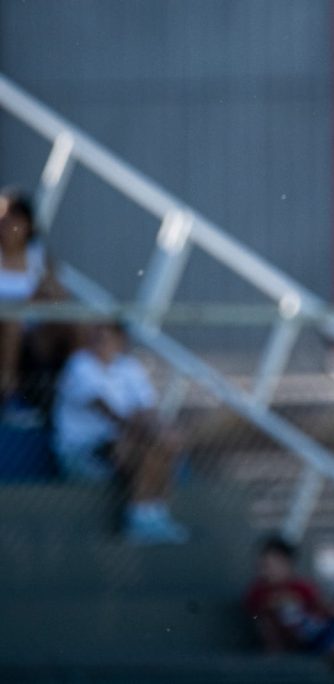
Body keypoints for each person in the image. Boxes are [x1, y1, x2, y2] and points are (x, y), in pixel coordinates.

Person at [51, 320, 189, 544]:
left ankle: (154, 515)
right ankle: (141, 520)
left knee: (162, 444)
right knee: (145, 446)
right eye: (94, 338)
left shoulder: (130, 367)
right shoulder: (79, 365)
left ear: (120, 341)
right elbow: (105, 409)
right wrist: (146, 431)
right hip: (80, 453)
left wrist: (163, 432)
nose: (98, 344)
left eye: (104, 338)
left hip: (123, 444)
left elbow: (148, 411)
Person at [244, 535, 334, 674]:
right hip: (307, 641)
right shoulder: (258, 594)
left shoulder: (300, 588)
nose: (269, 571)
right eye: (264, 566)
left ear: (288, 565)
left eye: (275, 565)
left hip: (324, 630)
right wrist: (273, 650)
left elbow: (328, 606)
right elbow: (263, 624)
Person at [0, 187, 76, 414]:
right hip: (5, 327)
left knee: (77, 328)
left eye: (13, 217)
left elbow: (60, 300)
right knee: (13, 324)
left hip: (34, 330)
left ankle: (75, 392)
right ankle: (8, 392)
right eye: (2, 216)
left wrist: (46, 291)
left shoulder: (39, 257)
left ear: (27, 224)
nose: (5, 223)